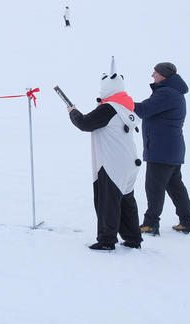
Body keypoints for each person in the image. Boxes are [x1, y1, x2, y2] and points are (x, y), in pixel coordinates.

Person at [67, 65, 144, 251]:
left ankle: (106, 240)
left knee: (107, 202)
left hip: (112, 163)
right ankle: (133, 238)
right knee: (126, 202)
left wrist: (72, 112)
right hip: (128, 162)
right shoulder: (126, 107)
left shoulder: (109, 108)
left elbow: (85, 123)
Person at [135, 62, 190, 235]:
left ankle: (151, 224)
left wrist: (119, 102)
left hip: (161, 150)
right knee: (175, 186)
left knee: (154, 187)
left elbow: (143, 109)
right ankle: (187, 222)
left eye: (155, 72)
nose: (152, 75)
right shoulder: (172, 92)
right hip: (170, 149)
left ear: (164, 75)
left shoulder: (166, 93)